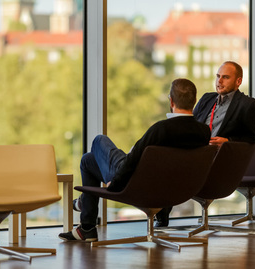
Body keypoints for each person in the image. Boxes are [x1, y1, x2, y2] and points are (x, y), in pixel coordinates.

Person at [58, 78, 211, 242]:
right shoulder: (204, 132)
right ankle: (87, 227)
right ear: (194, 101)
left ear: (171, 101)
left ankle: (87, 222)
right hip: (174, 190)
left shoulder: (160, 129)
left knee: (99, 141)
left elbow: (133, 160)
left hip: (137, 185)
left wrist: (115, 184)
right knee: (88, 160)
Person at [155, 61, 255, 227]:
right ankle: (161, 212)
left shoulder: (248, 105)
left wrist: (228, 142)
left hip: (218, 160)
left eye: (225, 77)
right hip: (195, 151)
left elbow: (251, 139)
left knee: (171, 164)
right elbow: (191, 123)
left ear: (238, 81)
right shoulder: (207, 99)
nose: (219, 81)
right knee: (163, 156)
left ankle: (161, 213)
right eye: (218, 76)